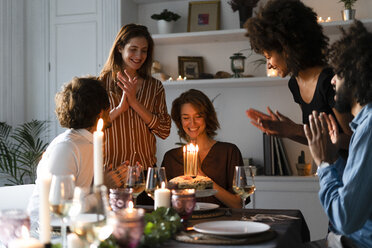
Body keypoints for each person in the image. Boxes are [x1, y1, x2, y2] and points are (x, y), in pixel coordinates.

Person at [245, 0, 352, 150]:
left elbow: (355, 141)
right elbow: (314, 141)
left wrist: (295, 129)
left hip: (352, 170)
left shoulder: (329, 81)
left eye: (269, 56)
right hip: (327, 168)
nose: (268, 64)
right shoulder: (294, 83)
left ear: (287, 47)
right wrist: (284, 131)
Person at [304, 21, 372, 248]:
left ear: (355, 76)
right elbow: (358, 192)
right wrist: (333, 158)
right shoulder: (363, 125)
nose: (332, 80)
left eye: (338, 73)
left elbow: (345, 219)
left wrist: (322, 164)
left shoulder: (369, 128)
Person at [99, 24, 171, 193]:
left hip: (146, 177)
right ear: (119, 48)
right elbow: (91, 129)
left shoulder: (155, 87)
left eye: (144, 50)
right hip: (113, 175)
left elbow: (164, 130)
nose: (139, 56)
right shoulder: (100, 85)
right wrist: (120, 108)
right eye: (133, 49)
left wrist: (135, 104)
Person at [28, 76, 111, 217]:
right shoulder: (66, 147)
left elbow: (77, 197)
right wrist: (100, 191)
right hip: (44, 230)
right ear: (101, 113)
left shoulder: (89, 143)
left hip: (73, 225)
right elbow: (58, 208)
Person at [162, 89, 243, 209]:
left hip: (220, 223)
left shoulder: (229, 152)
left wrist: (203, 179)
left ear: (207, 117)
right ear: (180, 121)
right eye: (186, 118)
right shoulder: (171, 158)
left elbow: (238, 204)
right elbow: (163, 203)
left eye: (198, 116)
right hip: (184, 223)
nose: (192, 123)